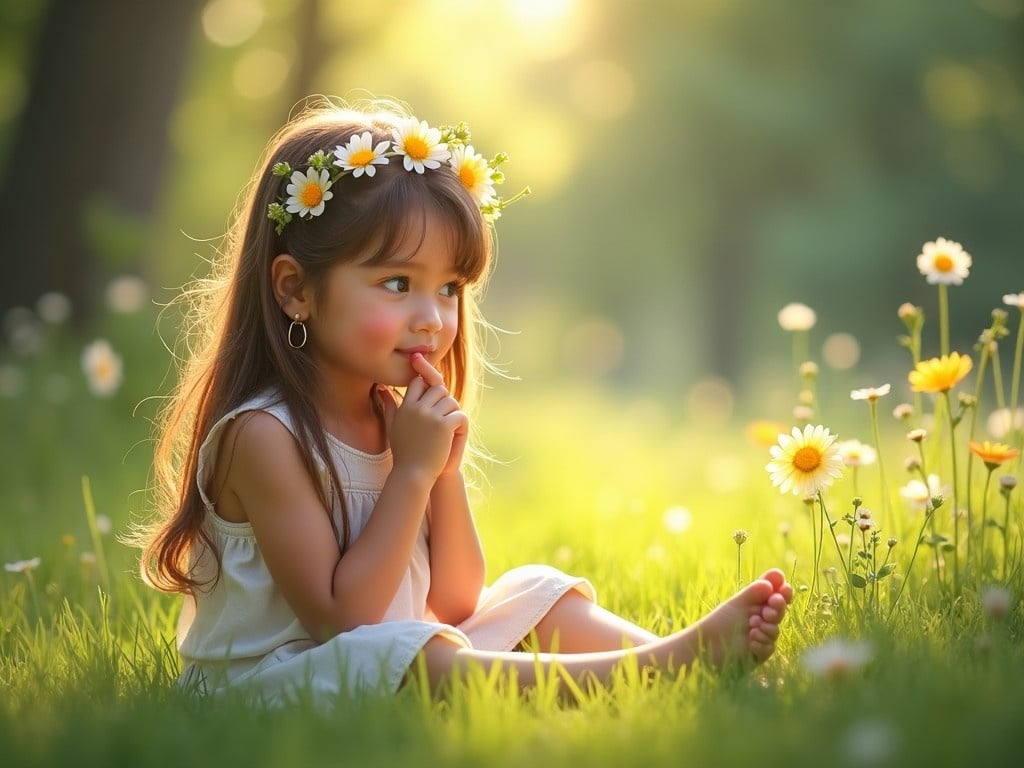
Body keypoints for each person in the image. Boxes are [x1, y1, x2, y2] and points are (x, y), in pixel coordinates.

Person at [138, 96, 793, 706]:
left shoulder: (395, 418)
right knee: (412, 651)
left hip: (377, 655)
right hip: (270, 686)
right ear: (295, 290)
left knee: (533, 590)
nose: (432, 317)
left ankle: (692, 667)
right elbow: (345, 622)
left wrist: (440, 474)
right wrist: (412, 474)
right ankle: (664, 668)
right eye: (397, 282)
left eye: (450, 287)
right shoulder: (263, 436)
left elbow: (454, 602)